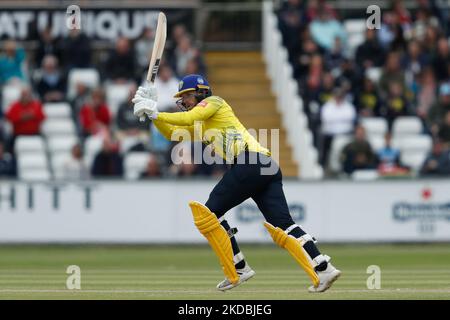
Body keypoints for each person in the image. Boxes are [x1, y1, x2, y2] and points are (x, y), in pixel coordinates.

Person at [132, 74, 341, 292]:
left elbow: (186, 118)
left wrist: (155, 109)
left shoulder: (214, 102)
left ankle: (239, 268)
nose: (184, 101)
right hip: (266, 166)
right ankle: (323, 268)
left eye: (187, 96)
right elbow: (173, 134)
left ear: (202, 92)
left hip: (250, 162)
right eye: (181, 97)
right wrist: (152, 115)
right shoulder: (201, 124)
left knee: (209, 213)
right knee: (283, 224)